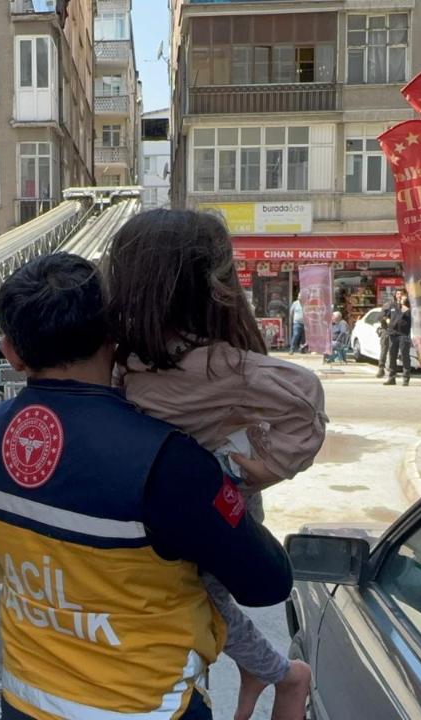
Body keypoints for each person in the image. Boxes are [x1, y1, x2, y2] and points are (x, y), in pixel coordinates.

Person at [0, 252, 298, 720]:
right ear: (114, 335)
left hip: (27, 701)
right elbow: (268, 582)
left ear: (12, 353)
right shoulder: (167, 461)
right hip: (149, 707)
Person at [108, 210, 323, 720]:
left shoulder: (221, 364)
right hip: (180, 502)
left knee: (206, 598)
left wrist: (254, 469)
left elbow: (304, 402)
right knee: (195, 600)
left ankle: (282, 675)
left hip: (221, 505)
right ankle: (270, 672)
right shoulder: (131, 356)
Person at [376, 288, 406, 379]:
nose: (399, 296)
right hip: (387, 330)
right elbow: (380, 316)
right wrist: (387, 319)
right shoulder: (389, 304)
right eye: (398, 294)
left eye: (402, 294)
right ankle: (381, 369)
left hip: (398, 332)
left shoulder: (404, 306)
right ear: (395, 295)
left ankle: (392, 370)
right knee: (384, 350)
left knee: (394, 352)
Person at [385, 296, 413, 387]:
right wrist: (388, 322)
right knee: (392, 356)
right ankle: (391, 378)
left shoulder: (408, 310)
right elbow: (387, 316)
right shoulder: (393, 307)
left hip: (403, 335)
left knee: (405, 356)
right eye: (399, 298)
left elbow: (411, 320)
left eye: (402, 299)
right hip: (393, 334)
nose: (400, 299)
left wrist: (404, 306)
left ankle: (406, 378)